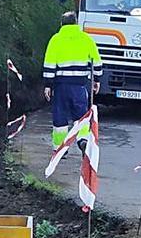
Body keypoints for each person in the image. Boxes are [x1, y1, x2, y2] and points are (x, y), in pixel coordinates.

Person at [42, 12, 102, 151]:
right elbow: (96, 61)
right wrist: (96, 80)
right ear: (76, 23)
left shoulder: (56, 40)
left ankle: (60, 148)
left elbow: (49, 63)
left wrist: (48, 85)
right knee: (82, 114)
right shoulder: (86, 39)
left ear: (61, 23)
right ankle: (83, 140)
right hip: (80, 85)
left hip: (61, 85)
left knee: (60, 115)